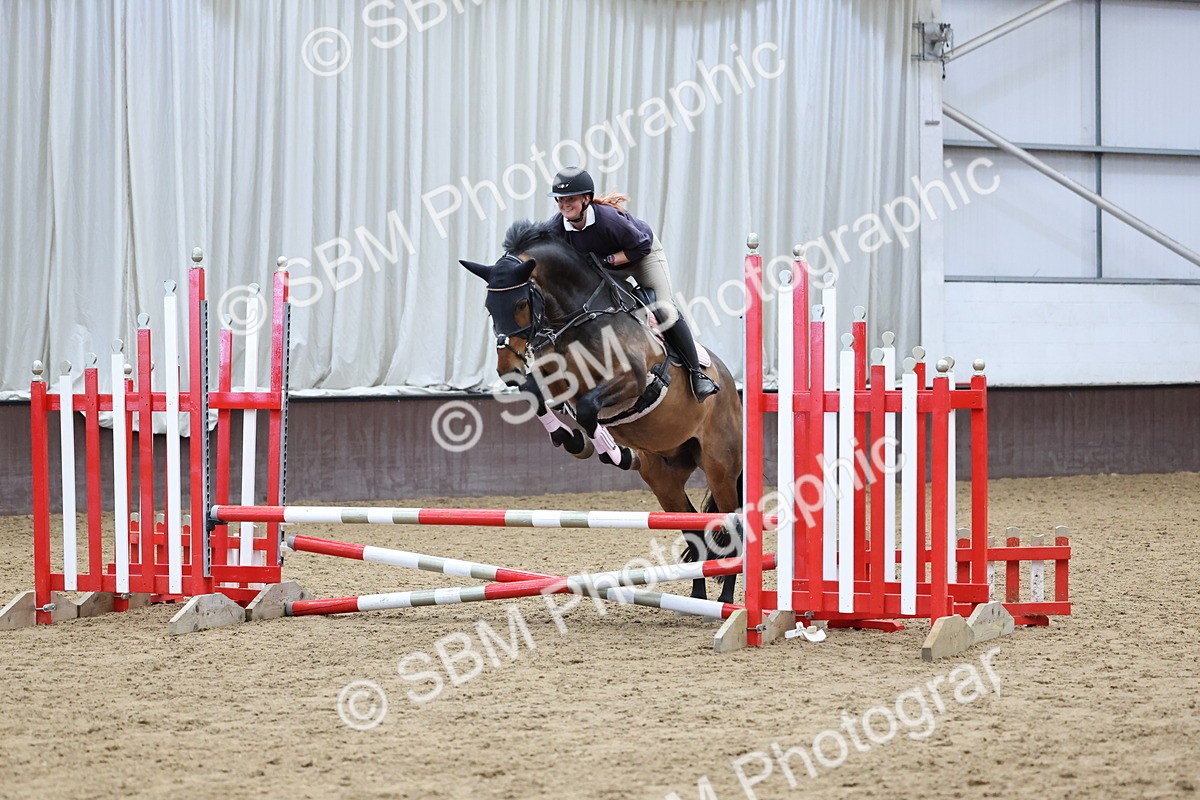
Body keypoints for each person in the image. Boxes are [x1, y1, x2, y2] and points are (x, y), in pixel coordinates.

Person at [545, 166, 719, 402]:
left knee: (664, 309)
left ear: (586, 199)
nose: (565, 205)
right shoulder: (556, 227)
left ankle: (697, 374)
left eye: (571, 199)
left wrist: (607, 261)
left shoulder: (607, 219)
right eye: (560, 200)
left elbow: (641, 246)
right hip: (605, 266)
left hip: (642, 256)